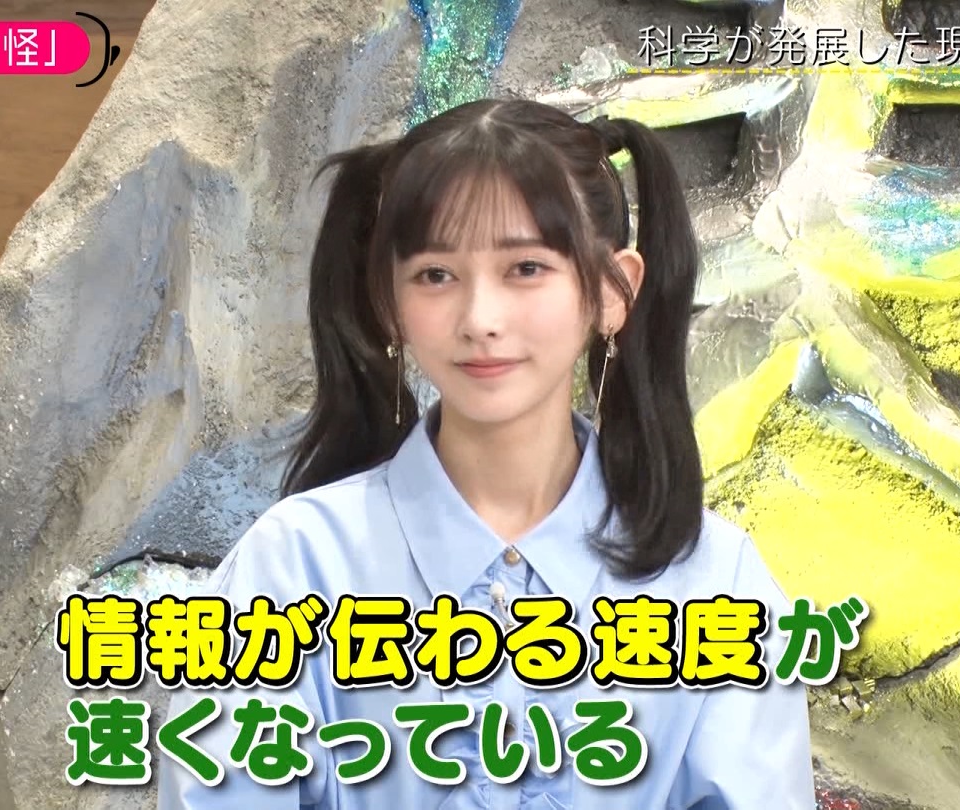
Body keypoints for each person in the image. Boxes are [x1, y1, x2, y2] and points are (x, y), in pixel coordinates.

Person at [156, 97, 815, 809]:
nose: (480, 319)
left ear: (612, 289)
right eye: (435, 274)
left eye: (526, 267)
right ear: (388, 302)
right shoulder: (291, 568)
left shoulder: (718, 585)